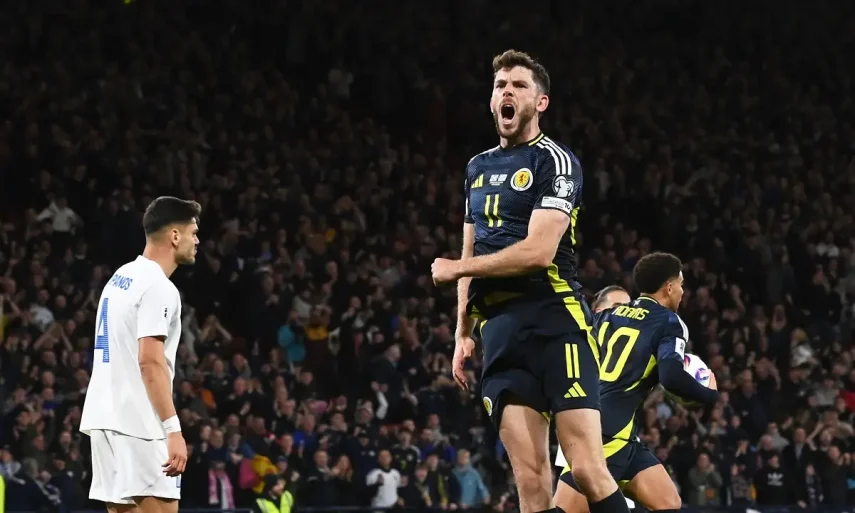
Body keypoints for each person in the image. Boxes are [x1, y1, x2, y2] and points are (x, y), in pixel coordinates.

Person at [431, 49, 630, 513]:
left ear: (540, 103)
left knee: (586, 468)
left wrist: (456, 269)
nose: (507, 92)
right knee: (531, 481)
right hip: (500, 334)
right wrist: (462, 332)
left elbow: (539, 252)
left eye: (518, 86)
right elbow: (470, 250)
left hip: (555, 323)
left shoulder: (556, 162)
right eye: (500, 85)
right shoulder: (476, 168)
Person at [554, 252, 720, 513]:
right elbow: (671, 377)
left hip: (617, 432)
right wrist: (709, 394)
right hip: (605, 436)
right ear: (669, 287)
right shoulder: (669, 322)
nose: (682, 292)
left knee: (668, 503)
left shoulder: (608, 315)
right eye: (681, 284)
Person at [79, 196, 201, 513]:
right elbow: (149, 361)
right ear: (175, 236)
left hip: (104, 417)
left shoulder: (121, 276)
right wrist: (173, 430)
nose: (197, 241)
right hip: (139, 423)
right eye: (193, 233)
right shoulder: (158, 287)